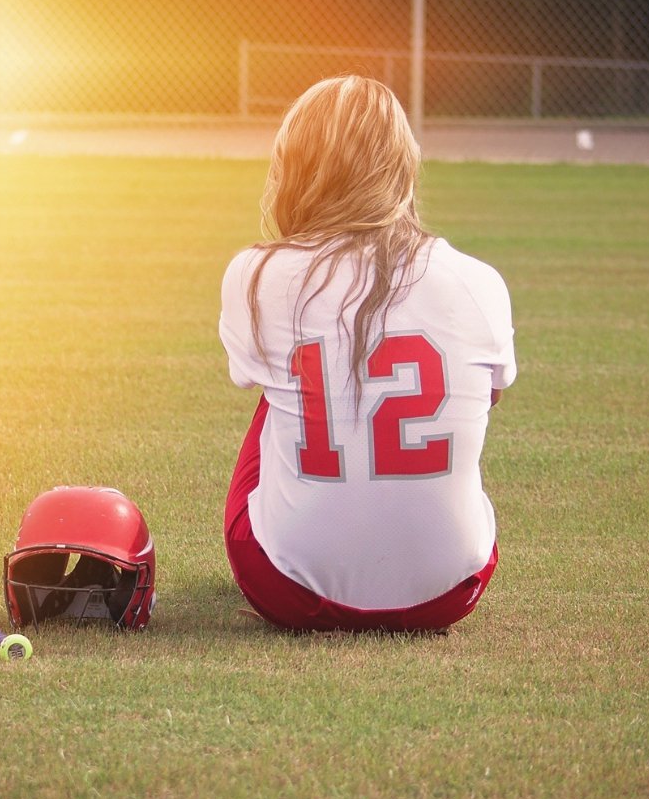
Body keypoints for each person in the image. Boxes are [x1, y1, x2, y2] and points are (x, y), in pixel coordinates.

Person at [219, 76, 516, 632]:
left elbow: (258, 376)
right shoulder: (480, 280)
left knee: (280, 392)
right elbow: (487, 397)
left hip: (286, 590)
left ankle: (322, 535)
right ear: (402, 165)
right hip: (449, 593)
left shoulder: (256, 274)